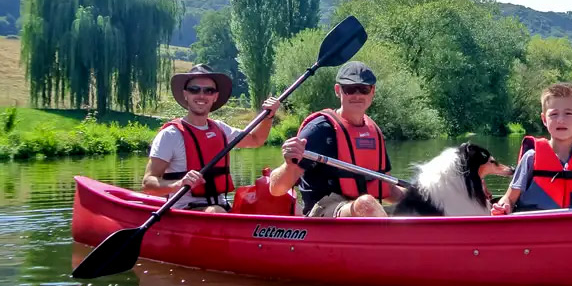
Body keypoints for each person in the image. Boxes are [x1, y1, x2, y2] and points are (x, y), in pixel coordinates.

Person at [269, 61, 405, 217]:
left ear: (372, 91)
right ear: (338, 90)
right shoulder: (319, 129)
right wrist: (289, 165)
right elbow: (276, 188)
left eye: (364, 89)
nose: (357, 95)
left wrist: (420, 198)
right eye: (350, 89)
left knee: (421, 205)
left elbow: (386, 188)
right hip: (324, 211)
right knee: (365, 204)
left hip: (366, 210)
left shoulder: (373, 131)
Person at [142, 64, 280, 212]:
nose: (201, 95)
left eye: (209, 91)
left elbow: (256, 140)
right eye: (194, 90)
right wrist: (179, 184)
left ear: (215, 97)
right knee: (216, 211)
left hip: (220, 207)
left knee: (269, 203)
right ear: (185, 95)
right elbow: (148, 184)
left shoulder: (221, 129)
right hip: (184, 210)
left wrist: (268, 116)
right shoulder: (170, 135)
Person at [491, 82, 572, 215]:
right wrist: (503, 206)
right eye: (554, 114)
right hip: (534, 230)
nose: (560, 120)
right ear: (544, 119)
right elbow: (509, 198)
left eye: (568, 113)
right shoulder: (531, 159)